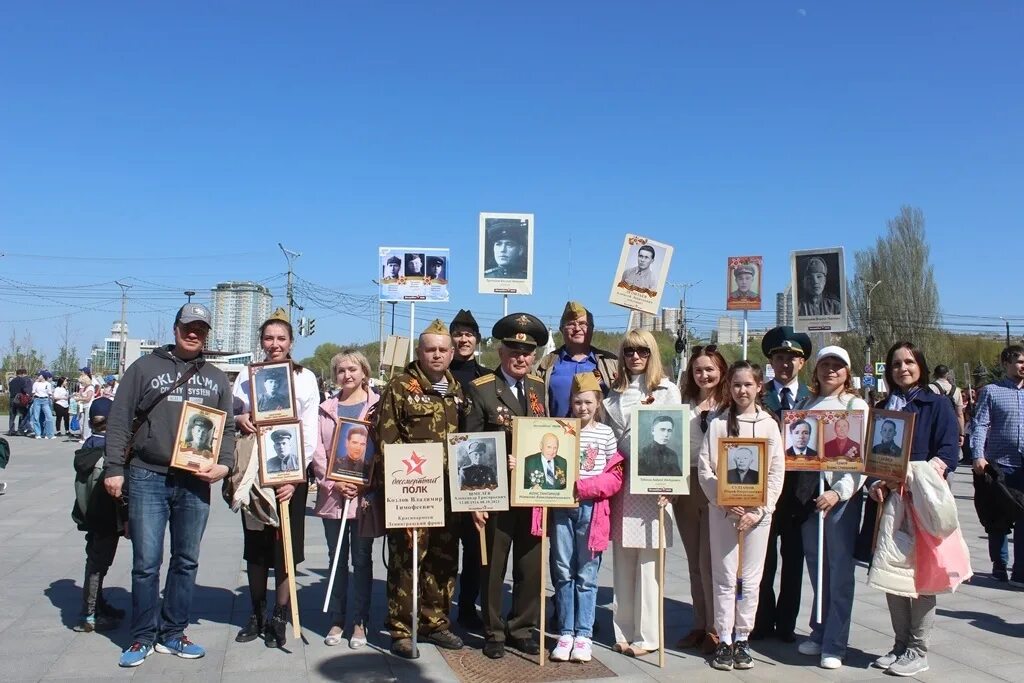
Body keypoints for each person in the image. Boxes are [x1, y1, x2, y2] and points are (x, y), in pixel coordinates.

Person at [103, 303, 235, 668]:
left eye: (201, 329)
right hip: (148, 475)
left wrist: (225, 465)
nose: (194, 333)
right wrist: (114, 467)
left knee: (186, 560)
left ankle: (174, 632)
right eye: (188, 326)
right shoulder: (145, 367)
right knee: (146, 562)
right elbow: (118, 418)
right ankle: (143, 635)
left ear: (207, 334)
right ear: (175, 328)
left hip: (194, 481)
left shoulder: (217, 377)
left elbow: (227, 430)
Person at [374, 319, 468, 658]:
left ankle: (435, 622)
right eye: (431, 349)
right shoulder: (401, 387)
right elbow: (386, 440)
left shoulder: (457, 390)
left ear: (452, 352)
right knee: (408, 559)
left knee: (443, 560)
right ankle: (401, 628)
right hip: (413, 492)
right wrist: (398, 490)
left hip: (448, 494)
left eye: (444, 349)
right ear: (420, 352)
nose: (438, 355)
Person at [867, 341, 960, 676]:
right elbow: (873, 458)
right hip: (890, 502)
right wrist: (877, 483)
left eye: (908, 362)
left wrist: (908, 477)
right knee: (891, 574)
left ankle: (918, 649)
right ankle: (900, 644)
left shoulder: (937, 405)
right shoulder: (883, 407)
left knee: (921, 578)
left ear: (920, 364)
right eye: (895, 363)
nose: (902, 368)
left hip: (921, 501)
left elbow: (949, 453)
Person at [230, 310, 318, 649]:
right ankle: (256, 612)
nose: (275, 344)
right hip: (255, 470)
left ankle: (281, 614)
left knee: (286, 546)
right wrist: (242, 417)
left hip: (289, 472)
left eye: (281, 338)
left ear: (291, 343)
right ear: (261, 342)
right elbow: (232, 415)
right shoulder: (245, 375)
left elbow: (309, 430)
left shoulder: (305, 378)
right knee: (256, 546)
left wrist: (296, 476)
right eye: (269, 338)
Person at [464, 312, 549, 659]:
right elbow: (469, 445)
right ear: (500, 352)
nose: (521, 357)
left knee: (530, 565)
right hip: (495, 491)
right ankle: (494, 631)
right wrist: (476, 499)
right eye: (514, 349)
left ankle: (522, 627)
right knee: (493, 565)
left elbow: (550, 435)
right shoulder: (481, 389)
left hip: (533, 492)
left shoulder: (539, 388)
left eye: (527, 351)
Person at [698, 360, 784, 671]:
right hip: (724, 513)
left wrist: (761, 510)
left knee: (750, 579)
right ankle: (724, 639)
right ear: (729, 388)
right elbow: (706, 468)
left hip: (757, 517)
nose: (742, 390)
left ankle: (743, 637)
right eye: (736, 385)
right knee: (723, 577)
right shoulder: (719, 423)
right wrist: (722, 501)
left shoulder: (769, 425)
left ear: (759, 386)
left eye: (748, 384)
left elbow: (776, 471)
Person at [603, 329, 680, 657]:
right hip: (623, 485)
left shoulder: (666, 390)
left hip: (654, 485)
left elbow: (677, 437)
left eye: (642, 351)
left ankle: (648, 635)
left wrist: (672, 488)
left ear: (652, 354)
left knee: (650, 563)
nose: (635, 356)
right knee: (623, 560)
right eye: (629, 350)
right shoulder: (614, 394)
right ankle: (624, 629)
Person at [793, 346, 869, 670]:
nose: (831, 370)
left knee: (839, 571)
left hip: (839, 501)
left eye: (837, 365)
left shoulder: (855, 406)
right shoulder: (806, 404)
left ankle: (836, 643)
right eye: (825, 364)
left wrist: (840, 492)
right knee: (817, 566)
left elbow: (862, 461)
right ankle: (819, 630)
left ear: (847, 372)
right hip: (810, 498)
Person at [549, 372, 623, 663]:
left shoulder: (605, 434)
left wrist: (583, 488)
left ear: (598, 402)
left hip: (592, 509)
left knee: (587, 575)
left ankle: (584, 634)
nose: (582, 408)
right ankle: (565, 632)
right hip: (561, 509)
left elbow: (614, 477)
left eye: (588, 402)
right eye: (577, 402)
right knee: (563, 571)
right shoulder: (560, 429)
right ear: (570, 402)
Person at [311, 350, 380, 648]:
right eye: (341, 370)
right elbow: (317, 450)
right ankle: (337, 618)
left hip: (364, 497)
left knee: (362, 559)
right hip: (333, 497)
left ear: (364, 372)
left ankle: (360, 621)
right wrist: (333, 482)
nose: (347, 375)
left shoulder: (377, 406)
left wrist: (365, 484)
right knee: (336, 558)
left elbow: (381, 449)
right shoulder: (326, 408)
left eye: (353, 369)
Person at [751, 327, 813, 644]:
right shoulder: (760, 398)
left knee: (793, 563)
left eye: (792, 358)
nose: (785, 363)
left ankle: (787, 624)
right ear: (770, 362)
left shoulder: (813, 400)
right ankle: (762, 622)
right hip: (764, 493)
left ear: (802, 363)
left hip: (800, 497)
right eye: (779, 357)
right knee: (763, 562)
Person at [673, 343, 727, 653]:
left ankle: (715, 627)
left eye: (709, 369)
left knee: (711, 562)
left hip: (718, 484)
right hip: (687, 481)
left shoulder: (729, 403)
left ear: (721, 371)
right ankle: (698, 622)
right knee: (694, 561)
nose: (704, 374)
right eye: (698, 369)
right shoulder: (683, 402)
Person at [447, 308, 489, 629]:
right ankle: (438, 608)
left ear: (476, 340)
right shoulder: (435, 375)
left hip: (476, 468)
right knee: (445, 545)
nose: (463, 339)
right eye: (458, 334)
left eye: (468, 335)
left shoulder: (487, 378)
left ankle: (467, 607)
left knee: (476, 546)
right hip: (443, 471)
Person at [72, 397, 127, 633]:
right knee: (98, 564)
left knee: (95, 560)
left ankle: (98, 604)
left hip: (88, 514)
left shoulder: (87, 447)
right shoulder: (109, 452)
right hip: (106, 516)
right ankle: (90, 614)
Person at [970, 344, 1024, 585]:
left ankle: (1021, 570)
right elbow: (980, 424)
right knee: (998, 519)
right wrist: (977, 455)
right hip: (999, 465)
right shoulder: (992, 391)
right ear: (1005, 363)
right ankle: (999, 564)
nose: (1023, 366)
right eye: (1019, 361)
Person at [535, 301, 618, 417]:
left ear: (591, 329)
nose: (577, 328)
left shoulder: (612, 363)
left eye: (583, 324)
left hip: (600, 434)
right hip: (557, 433)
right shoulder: (543, 366)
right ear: (561, 329)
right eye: (571, 324)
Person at [930, 365, 965, 446]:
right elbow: (959, 414)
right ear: (947, 374)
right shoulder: (956, 390)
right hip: (951, 427)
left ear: (934, 374)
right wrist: (961, 433)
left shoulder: (929, 388)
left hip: (934, 427)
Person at [29, 370, 56, 439]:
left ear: (43, 376)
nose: (38, 376)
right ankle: (38, 433)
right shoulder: (36, 383)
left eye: (39, 375)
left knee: (49, 417)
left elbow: (49, 393)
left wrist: (52, 398)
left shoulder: (48, 384)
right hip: (37, 400)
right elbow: (33, 392)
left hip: (45, 400)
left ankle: (49, 434)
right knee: (36, 417)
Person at [6, 368, 32, 436]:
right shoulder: (23, 381)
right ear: (21, 374)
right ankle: (20, 430)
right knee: (22, 415)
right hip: (19, 399)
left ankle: (11, 430)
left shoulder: (11, 381)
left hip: (12, 399)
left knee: (12, 415)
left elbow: (10, 390)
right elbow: (24, 390)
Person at [74, 367, 97, 442]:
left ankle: (86, 437)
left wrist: (79, 399)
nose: (81, 384)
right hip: (82, 406)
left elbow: (88, 398)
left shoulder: (90, 387)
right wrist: (78, 395)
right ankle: (82, 436)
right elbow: (82, 395)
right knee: (80, 421)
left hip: (88, 406)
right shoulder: (84, 387)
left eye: (81, 382)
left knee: (86, 423)